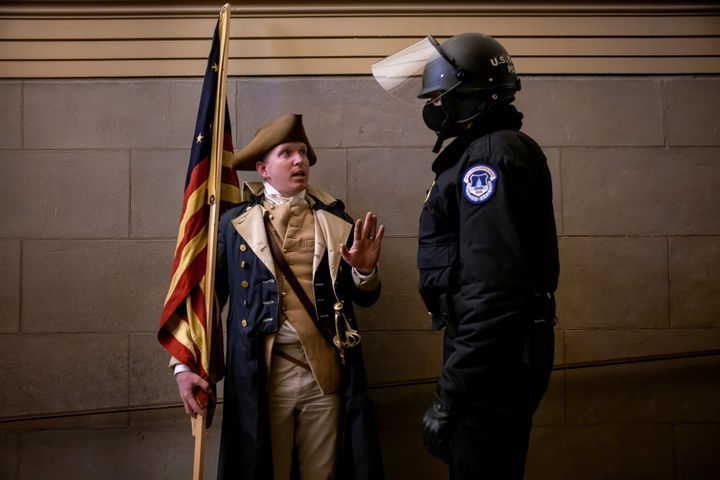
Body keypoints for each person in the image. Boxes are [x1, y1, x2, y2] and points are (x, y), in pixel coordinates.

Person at [373, 33, 559, 478]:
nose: (432, 106)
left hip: (491, 366)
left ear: (470, 95)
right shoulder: (488, 150)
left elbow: (491, 292)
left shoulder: (488, 159)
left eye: (438, 96)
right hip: (494, 358)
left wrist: (449, 398)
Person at [171, 113, 386, 480]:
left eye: (302, 152)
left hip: (327, 374)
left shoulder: (336, 218)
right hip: (264, 376)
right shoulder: (233, 224)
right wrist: (184, 365)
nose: (300, 160)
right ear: (263, 169)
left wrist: (363, 271)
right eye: (287, 153)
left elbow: (363, 299)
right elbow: (207, 299)